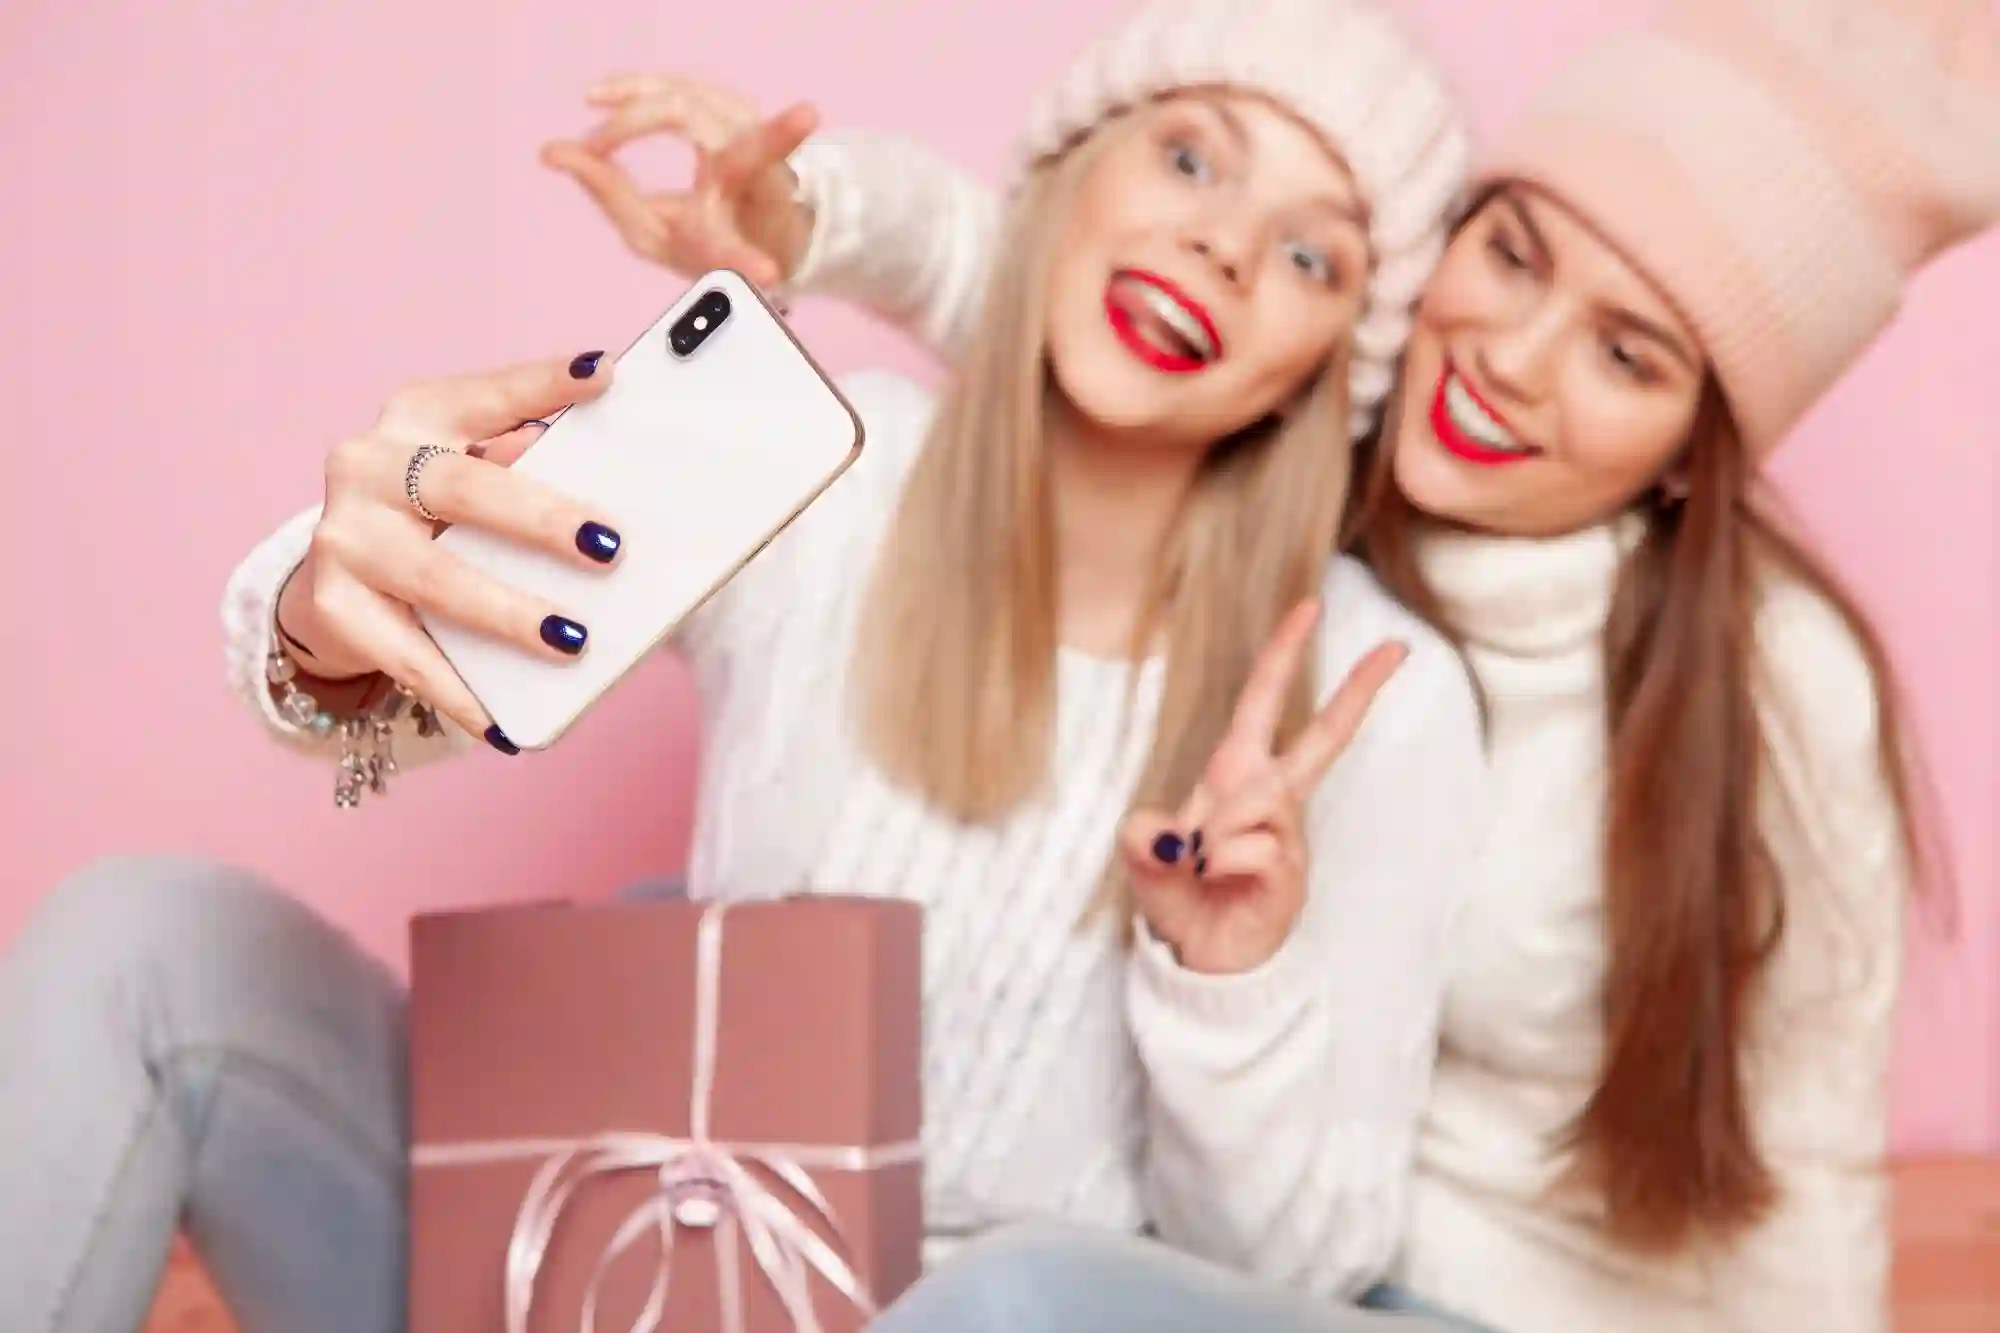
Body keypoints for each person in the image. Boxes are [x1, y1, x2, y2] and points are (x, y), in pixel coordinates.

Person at [0, 3, 1490, 1332]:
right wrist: (330, 624)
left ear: (1328, 364)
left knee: (1002, 1299)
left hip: (1030, 1316)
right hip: (632, 1274)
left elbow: (1298, 1272)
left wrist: (1223, 984)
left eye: (1310, 252)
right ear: (1063, 177)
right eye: (1188, 158)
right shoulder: (824, 470)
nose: (1227, 242)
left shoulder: (1374, 692)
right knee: (147, 937)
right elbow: (384, 724)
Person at [547, 0, 2000, 1328]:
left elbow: (1811, 1150)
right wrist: (808, 216)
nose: (1512, 361)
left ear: (1693, 457)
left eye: (1630, 357)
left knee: (1009, 1290)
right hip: (1285, 1254)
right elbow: (1098, 285)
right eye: (1509, 257)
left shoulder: (1768, 678)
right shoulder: (1320, 429)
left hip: (1499, 1304)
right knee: (665, 935)